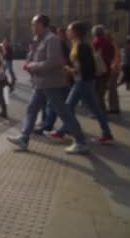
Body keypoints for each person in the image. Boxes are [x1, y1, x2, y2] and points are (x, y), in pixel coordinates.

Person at [7, 14, 88, 154]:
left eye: (34, 24)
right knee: (31, 109)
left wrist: (32, 66)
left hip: (51, 83)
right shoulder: (39, 40)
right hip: (41, 83)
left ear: (41, 25)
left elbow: (53, 62)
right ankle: (24, 138)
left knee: (63, 112)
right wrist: (31, 55)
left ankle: (80, 142)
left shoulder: (52, 39)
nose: (32, 27)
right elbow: (33, 57)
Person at [44, 21, 114, 144]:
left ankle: (62, 131)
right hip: (84, 81)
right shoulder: (77, 44)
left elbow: (88, 66)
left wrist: (71, 70)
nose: (67, 32)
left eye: (69, 30)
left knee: (68, 107)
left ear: (75, 32)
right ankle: (106, 134)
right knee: (95, 109)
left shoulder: (82, 46)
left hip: (82, 81)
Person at [92, 25, 115, 112]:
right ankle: (102, 110)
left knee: (97, 92)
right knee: (101, 92)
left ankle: (101, 111)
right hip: (107, 70)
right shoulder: (109, 43)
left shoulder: (96, 43)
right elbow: (112, 56)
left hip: (98, 70)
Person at [106, 31, 121, 114]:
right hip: (114, 69)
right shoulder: (112, 44)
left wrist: (112, 68)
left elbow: (116, 58)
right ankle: (113, 106)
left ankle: (114, 107)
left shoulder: (112, 45)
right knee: (112, 89)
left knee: (112, 89)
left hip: (113, 70)